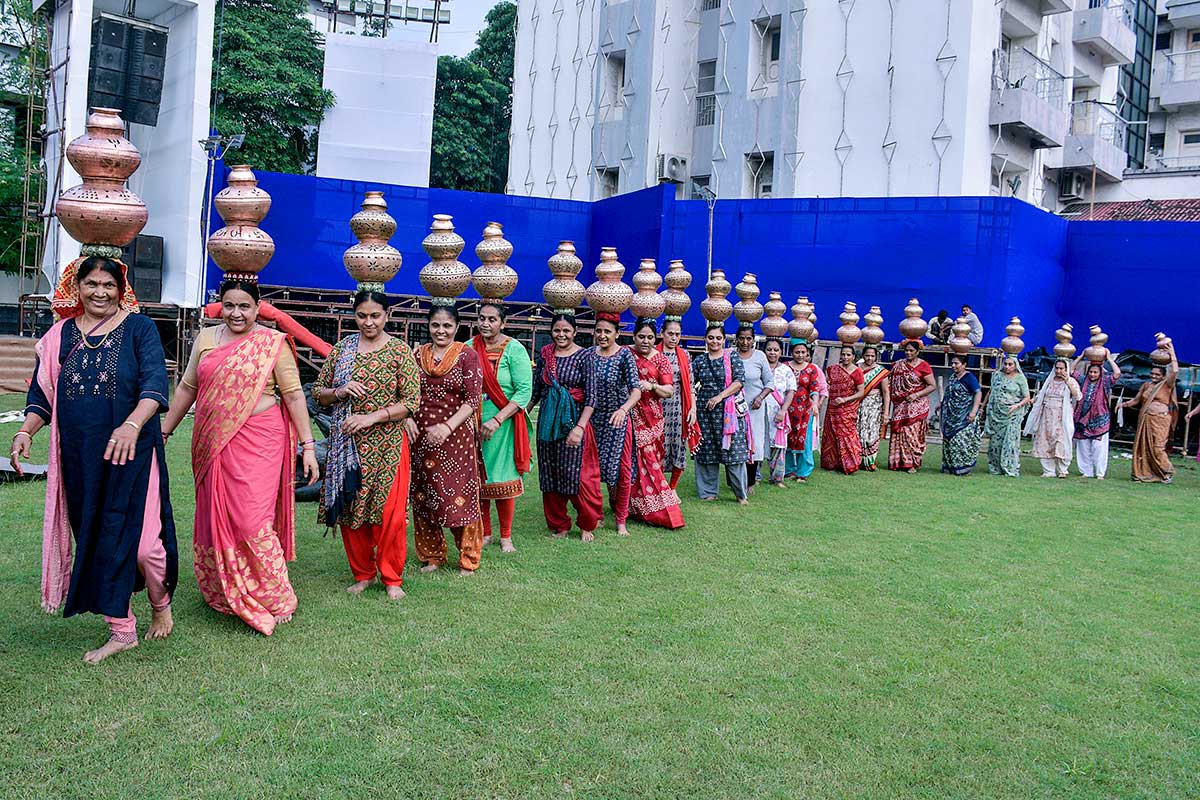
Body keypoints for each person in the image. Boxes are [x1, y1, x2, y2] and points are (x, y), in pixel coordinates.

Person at [12, 256, 177, 663]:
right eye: (92, 284)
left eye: (109, 285)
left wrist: (132, 426)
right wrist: (24, 432)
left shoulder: (140, 329)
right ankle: (121, 629)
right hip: (81, 459)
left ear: (121, 289)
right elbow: (41, 397)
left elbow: (155, 385)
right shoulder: (59, 336)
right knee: (98, 539)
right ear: (77, 287)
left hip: (134, 453)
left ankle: (159, 601)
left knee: (144, 548)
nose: (100, 292)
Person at [163, 278, 319, 635]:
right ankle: (222, 588)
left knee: (252, 519)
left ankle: (277, 596)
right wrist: (164, 430)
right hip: (212, 441)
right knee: (216, 516)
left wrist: (308, 446)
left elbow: (294, 396)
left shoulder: (271, 343)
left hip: (260, 441)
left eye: (244, 306)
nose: (236, 313)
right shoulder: (205, 339)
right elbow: (188, 387)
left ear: (257, 308)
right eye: (229, 306)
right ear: (220, 306)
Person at [313, 291, 420, 600]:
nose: (368, 322)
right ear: (354, 316)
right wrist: (339, 390)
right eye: (362, 316)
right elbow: (319, 393)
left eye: (375, 316)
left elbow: (411, 402)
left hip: (388, 445)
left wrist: (372, 418)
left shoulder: (400, 351)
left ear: (387, 316)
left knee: (391, 514)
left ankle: (391, 577)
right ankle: (363, 574)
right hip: (349, 445)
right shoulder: (343, 350)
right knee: (351, 510)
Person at [404, 305, 485, 574]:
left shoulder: (467, 355)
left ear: (457, 327)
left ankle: (468, 558)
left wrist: (447, 427)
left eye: (447, 326)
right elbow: (404, 392)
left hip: (456, 439)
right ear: (429, 326)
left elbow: (472, 400)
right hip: (422, 437)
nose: (441, 331)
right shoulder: (418, 355)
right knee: (424, 495)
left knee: (460, 495)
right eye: (436, 325)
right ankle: (432, 555)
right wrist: (407, 419)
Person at [529, 313, 602, 541]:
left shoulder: (584, 357)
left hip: (573, 421)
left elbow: (592, 398)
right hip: (548, 422)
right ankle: (559, 524)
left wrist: (579, 428)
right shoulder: (546, 355)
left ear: (575, 332)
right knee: (550, 473)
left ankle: (587, 524)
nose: (561, 335)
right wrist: (522, 414)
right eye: (557, 330)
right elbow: (537, 391)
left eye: (566, 331)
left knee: (576, 474)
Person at [472, 302, 534, 553]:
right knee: (480, 478)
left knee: (503, 479)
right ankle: (485, 533)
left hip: (505, 425)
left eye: (492, 320)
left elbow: (524, 392)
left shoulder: (515, 349)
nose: (486, 324)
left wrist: (497, 420)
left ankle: (506, 536)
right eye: (482, 318)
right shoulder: (468, 348)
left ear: (503, 323)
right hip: (474, 422)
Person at [627, 319, 685, 529]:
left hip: (651, 419)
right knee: (629, 461)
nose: (645, 341)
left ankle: (660, 511)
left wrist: (650, 385)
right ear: (634, 336)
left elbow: (669, 390)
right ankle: (629, 505)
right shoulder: (626, 354)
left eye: (650, 337)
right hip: (627, 414)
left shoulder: (660, 360)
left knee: (650, 463)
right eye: (641, 336)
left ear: (656, 338)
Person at [590, 312, 642, 535]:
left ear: (617, 334)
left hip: (618, 421)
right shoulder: (589, 355)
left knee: (622, 472)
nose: (602, 335)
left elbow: (636, 391)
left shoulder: (625, 356)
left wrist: (623, 410)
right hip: (593, 419)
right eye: (599, 331)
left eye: (607, 332)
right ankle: (596, 514)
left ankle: (621, 520)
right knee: (591, 471)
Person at [693, 324, 750, 503]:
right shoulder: (700, 361)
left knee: (733, 453)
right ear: (705, 339)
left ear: (724, 340)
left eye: (718, 338)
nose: (715, 341)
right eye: (711, 338)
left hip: (728, 413)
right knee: (706, 452)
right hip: (705, 413)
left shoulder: (731, 356)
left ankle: (740, 494)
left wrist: (719, 397)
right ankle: (708, 492)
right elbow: (689, 382)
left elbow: (739, 381)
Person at [1121, 342, 1178, 484]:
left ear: (1163, 376)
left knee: (1158, 447)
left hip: (1161, 419)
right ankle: (1146, 472)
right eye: (1152, 373)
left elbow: (1175, 371)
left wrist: (1172, 353)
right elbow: (1136, 400)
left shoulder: (1167, 385)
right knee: (1144, 447)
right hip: (1146, 419)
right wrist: (1124, 404)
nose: (1153, 376)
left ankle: (1167, 471)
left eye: (1157, 374)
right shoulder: (1146, 385)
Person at [656, 318, 699, 489]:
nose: (674, 338)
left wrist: (693, 408)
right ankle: (658, 488)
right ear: (662, 334)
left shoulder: (684, 355)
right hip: (657, 408)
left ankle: (672, 488)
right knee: (657, 447)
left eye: (677, 334)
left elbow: (690, 385)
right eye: (670, 334)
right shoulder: (654, 354)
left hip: (678, 408)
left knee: (678, 447)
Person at [1024, 358, 1082, 478]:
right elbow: (1041, 394)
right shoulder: (1049, 381)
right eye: (1057, 368)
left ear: (1066, 369)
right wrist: (1033, 400)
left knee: (1061, 441)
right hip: (1046, 416)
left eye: (1062, 368)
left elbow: (1078, 396)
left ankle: (1063, 469)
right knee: (1045, 441)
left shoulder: (1071, 381)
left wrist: (1068, 381)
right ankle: (1048, 470)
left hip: (1062, 417)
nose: (1059, 371)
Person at [887, 340, 937, 473]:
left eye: (911, 351)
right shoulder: (898, 365)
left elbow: (932, 385)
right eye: (906, 351)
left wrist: (916, 395)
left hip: (917, 405)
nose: (908, 353)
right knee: (900, 432)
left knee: (912, 434)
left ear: (918, 352)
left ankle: (912, 463)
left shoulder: (924, 366)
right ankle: (899, 462)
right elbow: (890, 383)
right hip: (900, 405)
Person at [736, 326, 774, 492]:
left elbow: (769, 382)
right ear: (736, 339)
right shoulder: (730, 354)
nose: (745, 342)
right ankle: (736, 481)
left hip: (755, 408)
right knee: (736, 443)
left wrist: (760, 398)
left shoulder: (760, 357)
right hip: (734, 408)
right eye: (742, 338)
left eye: (749, 339)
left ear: (753, 340)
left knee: (754, 444)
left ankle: (750, 482)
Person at [1071, 352, 1121, 479]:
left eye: (1095, 372)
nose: (1092, 374)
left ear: (1100, 373)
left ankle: (1100, 473)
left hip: (1099, 419)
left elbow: (1117, 374)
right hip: (1082, 418)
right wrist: (1081, 356)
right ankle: (1086, 472)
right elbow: (1070, 371)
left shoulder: (1105, 382)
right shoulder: (1083, 380)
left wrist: (1109, 358)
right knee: (1083, 446)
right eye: (1091, 372)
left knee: (1099, 448)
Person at [785, 340, 826, 483]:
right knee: (788, 438)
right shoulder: (785, 367)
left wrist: (815, 403)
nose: (800, 355)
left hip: (805, 410)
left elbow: (814, 388)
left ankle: (803, 472)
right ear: (792, 353)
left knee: (805, 440)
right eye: (797, 352)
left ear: (807, 353)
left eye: (803, 352)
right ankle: (788, 470)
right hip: (787, 409)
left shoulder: (811, 369)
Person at [984, 355, 1032, 477]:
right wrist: (983, 407)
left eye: (1010, 364)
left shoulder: (1020, 378)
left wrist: (1016, 406)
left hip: (1012, 414)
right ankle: (995, 467)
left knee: (1009, 442)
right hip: (996, 414)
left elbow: (1027, 397)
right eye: (1005, 364)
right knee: (995, 442)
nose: (1007, 367)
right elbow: (991, 391)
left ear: (1016, 366)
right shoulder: (997, 376)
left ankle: (1009, 467)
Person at [821, 345, 866, 474]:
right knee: (831, 433)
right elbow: (827, 385)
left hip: (847, 408)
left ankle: (849, 464)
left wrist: (845, 399)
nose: (845, 357)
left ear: (853, 357)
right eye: (843, 354)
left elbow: (861, 392)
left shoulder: (857, 372)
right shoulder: (832, 369)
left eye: (848, 355)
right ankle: (831, 463)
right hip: (832, 407)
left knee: (846, 434)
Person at [940, 354, 982, 476]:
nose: (953, 366)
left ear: (964, 365)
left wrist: (973, 411)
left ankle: (962, 467)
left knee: (960, 440)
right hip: (951, 415)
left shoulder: (969, 378)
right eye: (952, 363)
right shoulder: (953, 377)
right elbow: (950, 393)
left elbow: (978, 393)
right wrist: (942, 405)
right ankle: (950, 467)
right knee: (949, 441)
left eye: (956, 363)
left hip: (964, 416)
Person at [762, 339, 796, 486]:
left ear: (781, 352)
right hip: (760, 410)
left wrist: (783, 410)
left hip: (778, 411)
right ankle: (754, 477)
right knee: (758, 443)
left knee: (778, 446)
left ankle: (777, 478)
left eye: (776, 350)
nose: (772, 353)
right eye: (769, 349)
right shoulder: (760, 367)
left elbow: (791, 392)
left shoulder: (786, 370)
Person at [856, 346, 890, 471]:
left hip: (874, 405)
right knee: (858, 431)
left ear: (876, 357)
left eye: (872, 356)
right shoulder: (857, 369)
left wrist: (886, 413)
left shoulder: (880, 372)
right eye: (867, 355)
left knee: (871, 432)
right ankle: (857, 460)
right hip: (858, 404)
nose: (869, 358)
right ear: (863, 356)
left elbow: (886, 393)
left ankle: (870, 461)